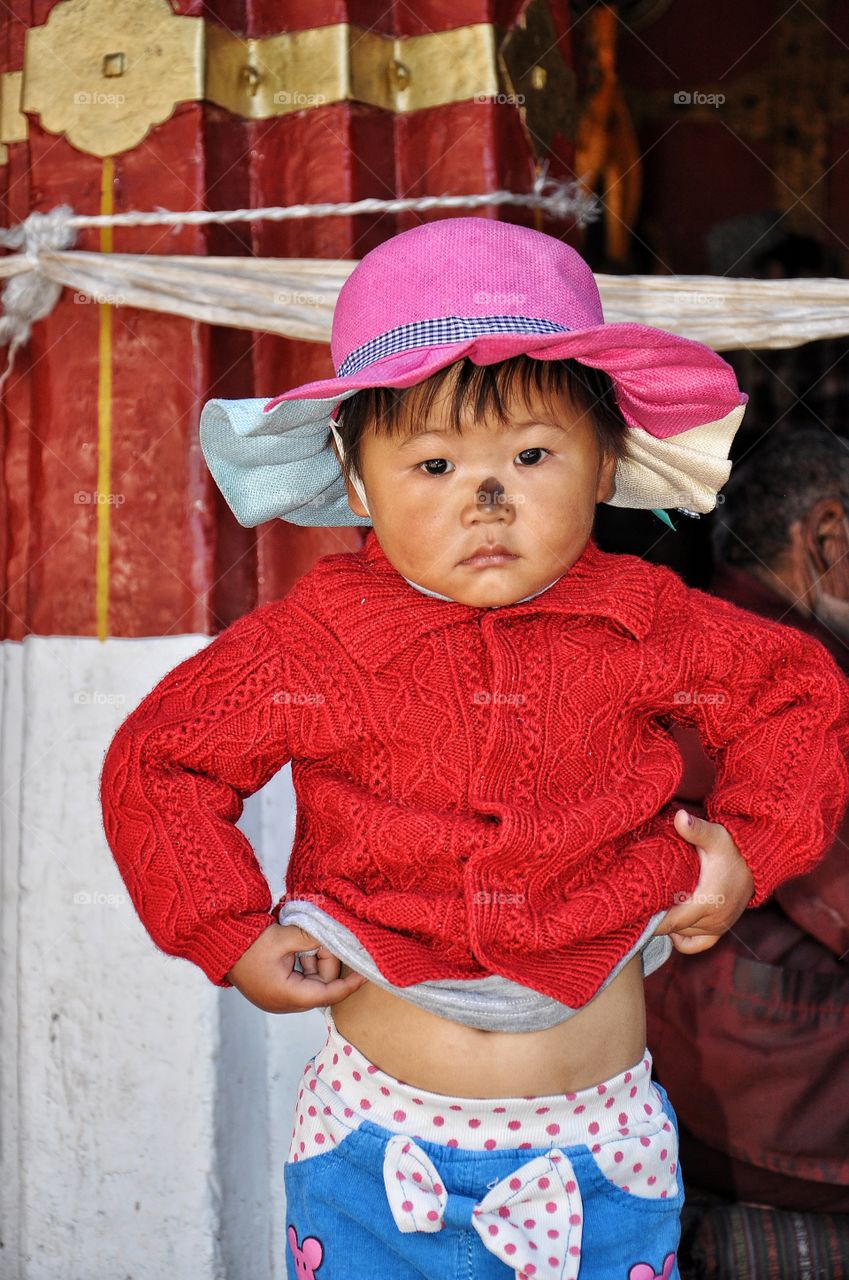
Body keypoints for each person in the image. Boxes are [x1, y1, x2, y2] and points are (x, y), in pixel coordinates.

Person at [98, 218, 849, 1280]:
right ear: (356, 482)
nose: (485, 498)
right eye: (436, 461)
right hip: (372, 1147)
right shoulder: (314, 641)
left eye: (531, 455)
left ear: (603, 467)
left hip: (601, 1153)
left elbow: (794, 693)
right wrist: (227, 930)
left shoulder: (645, 619)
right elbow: (161, 760)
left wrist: (748, 849)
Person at [647, 422, 849, 1244]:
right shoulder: (789, 671)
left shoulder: (700, 641)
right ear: (827, 535)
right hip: (774, 1110)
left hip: (702, 1073)